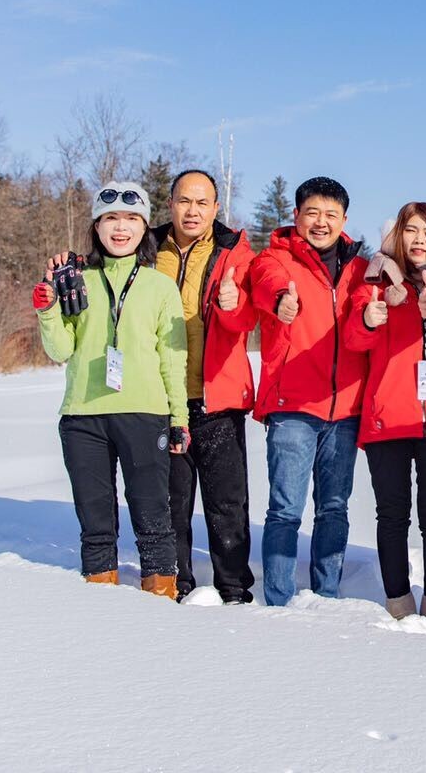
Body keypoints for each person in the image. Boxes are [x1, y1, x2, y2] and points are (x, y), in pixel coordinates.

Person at [34, 181, 188, 598]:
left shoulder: (160, 286)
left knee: (153, 512)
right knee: (95, 518)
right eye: (111, 220)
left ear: (144, 229)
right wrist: (48, 310)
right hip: (83, 415)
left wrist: (179, 418)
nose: (121, 229)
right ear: (97, 227)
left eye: (132, 220)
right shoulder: (76, 277)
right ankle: (99, 595)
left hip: (144, 412)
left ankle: (160, 592)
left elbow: (173, 358)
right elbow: (60, 349)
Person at [343, 202, 426, 627]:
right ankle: (397, 603)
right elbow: (353, 341)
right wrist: (369, 316)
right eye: (411, 230)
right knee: (392, 516)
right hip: (387, 419)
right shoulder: (374, 280)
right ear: (397, 235)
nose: (419, 240)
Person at [248, 176, 368, 606]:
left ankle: (327, 594)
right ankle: (279, 600)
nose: (321, 222)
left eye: (330, 215)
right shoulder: (276, 259)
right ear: (296, 216)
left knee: (334, 509)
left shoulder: (359, 268)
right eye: (312, 213)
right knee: (285, 509)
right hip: (293, 407)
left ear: (344, 220)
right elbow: (264, 282)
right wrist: (281, 299)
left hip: (346, 409)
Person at [152, 169, 259, 604]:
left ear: (216, 208)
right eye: (184, 201)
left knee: (227, 505)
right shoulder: (147, 249)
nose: (192, 211)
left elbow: (248, 317)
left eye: (202, 203)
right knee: (172, 503)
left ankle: (233, 589)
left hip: (218, 396)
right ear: (171, 203)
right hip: (162, 398)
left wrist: (235, 305)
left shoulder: (236, 252)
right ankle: (177, 585)